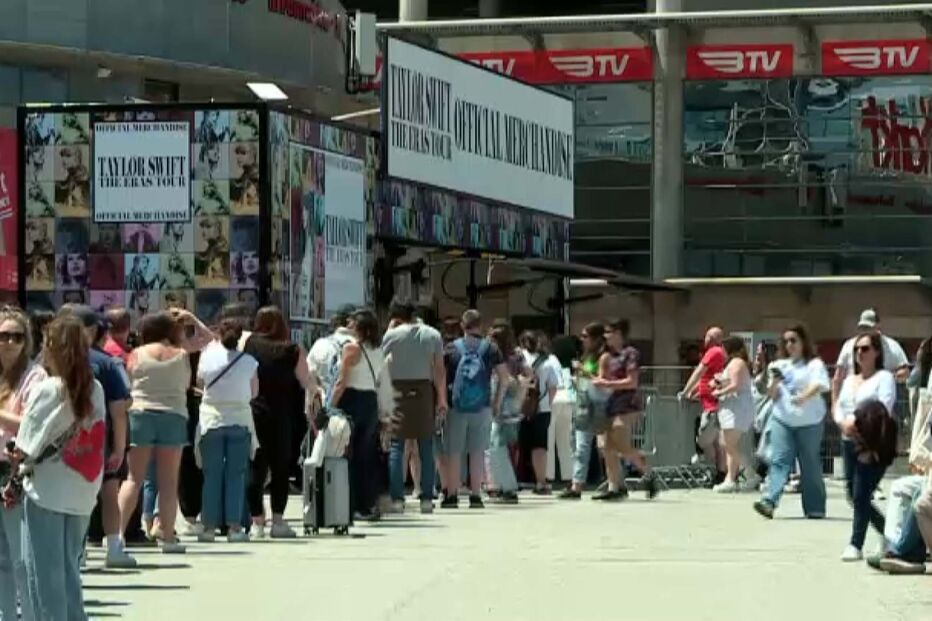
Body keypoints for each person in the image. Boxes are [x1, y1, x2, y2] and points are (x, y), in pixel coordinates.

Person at [13, 315, 106, 620]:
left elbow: (25, 447)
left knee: (43, 573)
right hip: (82, 488)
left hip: (47, 490)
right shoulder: (96, 390)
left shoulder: (49, 389)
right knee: (69, 570)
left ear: (52, 348)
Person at [118, 310, 213, 553]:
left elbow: (128, 383)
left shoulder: (136, 354)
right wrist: (192, 317)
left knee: (133, 478)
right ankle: (168, 536)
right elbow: (209, 339)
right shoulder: (181, 354)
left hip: (140, 414)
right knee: (169, 481)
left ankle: (115, 534)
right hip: (173, 415)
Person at [63, 305, 135, 569]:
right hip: (97, 439)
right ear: (93, 330)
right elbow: (119, 411)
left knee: (68, 497)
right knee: (108, 492)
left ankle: (76, 550)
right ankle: (114, 547)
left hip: (59, 438)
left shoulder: (48, 360)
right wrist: (118, 448)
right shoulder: (105, 362)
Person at [244, 307, 311, 538]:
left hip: (256, 411)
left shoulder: (251, 344)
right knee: (281, 467)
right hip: (283, 413)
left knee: (256, 466)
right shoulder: (292, 349)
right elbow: (305, 380)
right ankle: (278, 521)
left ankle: (256, 521)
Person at [753, 325, 830, 520]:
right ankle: (769, 501)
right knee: (779, 461)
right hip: (783, 419)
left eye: (793, 340)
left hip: (810, 422)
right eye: (786, 341)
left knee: (809, 463)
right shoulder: (779, 365)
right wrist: (775, 382)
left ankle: (815, 507)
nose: (790, 345)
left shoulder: (814, 365)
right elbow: (772, 394)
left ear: (803, 342)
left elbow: (819, 385)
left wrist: (804, 396)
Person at [833, 331, 897, 561]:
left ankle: (855, 544)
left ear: (877, 352)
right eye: (857, 349)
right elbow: (840, 406)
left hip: (872, 444)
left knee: (861, 494)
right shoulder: (850, 380)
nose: (860, 352)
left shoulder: (884, 379)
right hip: (848, 442)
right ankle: (890, 535)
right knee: (854, 495)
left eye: (866, 348)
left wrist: (856, 421)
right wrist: (842, 422)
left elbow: (884, 408)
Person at [196, 316, 259, 543]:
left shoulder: (206, 357)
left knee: (211, 475)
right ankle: (234, 526)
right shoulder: (249, 362)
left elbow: (201, 384)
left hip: (211, 419)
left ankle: (209, 527)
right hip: (240, 419)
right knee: (236, 475)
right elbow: (254, 393)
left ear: (220, 335)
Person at [0, 307, 46, 621]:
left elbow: (31, 426)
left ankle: (28, 615)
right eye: (4, 336)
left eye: (17, 336)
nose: (10, 343)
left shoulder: (36, 376)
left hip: (14, 470)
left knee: (20, 556)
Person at [381, 302, 447, 515]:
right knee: (426, 444)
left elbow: (381, 364)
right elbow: (439, 370)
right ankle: (427, 498)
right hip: (423, 389)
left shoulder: (392, 335)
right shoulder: (433, 335)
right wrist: (442, 399)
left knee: (396, 445)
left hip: (397, 389)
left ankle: (397, 498)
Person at [442, 310, 509, 509]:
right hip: (482, 407)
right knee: (478, 452)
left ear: (462, 326)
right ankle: (476, 495)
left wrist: (442, 403)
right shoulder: (491, 348)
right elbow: (504, 378)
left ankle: (452, 495)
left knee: (454, 452)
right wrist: (496, 402)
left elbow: (441, 376)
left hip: (456, 407)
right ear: (481, 325)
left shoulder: (451, 348)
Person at [330, 309, 392, 521]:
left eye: (353, 322)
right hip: (370, 402)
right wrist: (385, 415)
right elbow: (383, 383)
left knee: (349, 454)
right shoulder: (378, 351)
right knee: (367, 455)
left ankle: (353, 505)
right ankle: (368, 504)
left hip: (352, 399)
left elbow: (341, 381)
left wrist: (329, 406)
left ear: (361, 328)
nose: (349, 325)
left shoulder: (351, 349)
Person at [592, 319, 660, 501]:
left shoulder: (630, 354)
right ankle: (615, 486)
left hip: (627, 405)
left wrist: (607, 383)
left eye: (609, 332)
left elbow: (632, 381)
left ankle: (648, 474)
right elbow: (602, 380)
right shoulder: (607, 356)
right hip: (609, 406)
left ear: (619, 333)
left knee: (621, 443)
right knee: (605, 446)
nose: (606, 336)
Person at [559, 323, 607, 500]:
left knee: (605, 447)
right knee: (580, 446)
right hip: (583, 404)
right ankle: (577, 485)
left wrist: (581, 371)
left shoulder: (603, 357)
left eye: (585, 336)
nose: (582, 339)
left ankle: (616, 481)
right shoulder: (587, 356)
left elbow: (599, 379)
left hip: (598, 406)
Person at [485, 321, 527, 504]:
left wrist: (496, 403)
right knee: (502, 446)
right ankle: (504, 486)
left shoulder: (495, 356)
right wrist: (520, 394)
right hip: (513, 406)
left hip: (500, 404)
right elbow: (529, 374)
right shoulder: (517, 354)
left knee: (495, 446)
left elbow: (502, 383)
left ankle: (508, 488)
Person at [709, 336, 757, 493]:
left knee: (728, 444)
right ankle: (748, 474)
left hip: (737, 408)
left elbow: (736, 385)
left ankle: (731, 478)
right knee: (727, 444)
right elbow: (732, 382)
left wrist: (719, 391)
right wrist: (719, 382)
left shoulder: (737, 363)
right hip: (732, 408)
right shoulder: (734, 363)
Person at [832, 308, 908, 404]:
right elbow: (838, 376)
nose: (865, 331)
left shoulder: (891, 346)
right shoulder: (848, 345)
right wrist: (835, 402)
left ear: (878, 327)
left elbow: (904, 371)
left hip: (882, 398)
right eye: (862, 328)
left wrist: (886, 378)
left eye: (868, 327)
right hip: (853, 397)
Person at [680, 327, 726, 480]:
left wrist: (685, 391)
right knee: (715, 442)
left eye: (706, 336)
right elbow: (705, 379)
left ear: (712, 338)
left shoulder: (713, 352)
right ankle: (719, 472)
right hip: (710, 404)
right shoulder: (718, 353)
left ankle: (717, 469)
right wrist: (695, 392)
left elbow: (699, 372)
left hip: (713, 406)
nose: (704, 339)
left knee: (704, 440)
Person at [519, 331, 560, 495]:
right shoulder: (550, 360)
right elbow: (553, 388)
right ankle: (541, 482)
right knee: (539, 446)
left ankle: (512, 480)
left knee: (517, 445)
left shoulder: (520, 357)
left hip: (520, 408)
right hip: (542, 410)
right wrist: (547, 406)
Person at [306, 304, 357, 401]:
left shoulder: (320, 345)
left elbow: (309, 376)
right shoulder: (362, 348)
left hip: (326, 409)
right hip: (357, 410)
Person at [548, 335, 579, 485]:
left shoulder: (551, 359)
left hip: (554, 398)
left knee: (549, 438)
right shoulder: (572, 362)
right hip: (569, 398)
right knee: (566, 441)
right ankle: (568, 475)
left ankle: (549, 475)